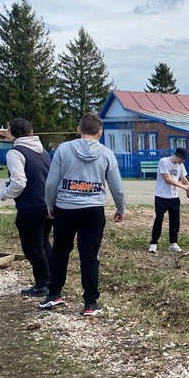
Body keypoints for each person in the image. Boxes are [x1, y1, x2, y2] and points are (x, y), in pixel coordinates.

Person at [39, 114, 126, 316]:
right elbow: (117, 186)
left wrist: (50, 204)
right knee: (89, 255)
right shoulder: (106, 154)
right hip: (93, 210)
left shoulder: (64, 149)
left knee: (60, 251)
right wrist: (120, 208)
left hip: (65, 208)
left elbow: (51, 182)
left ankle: (54, 294)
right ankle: (90, 303)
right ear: (100, 132)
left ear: (79, 129)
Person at [0, 117, 52, 297]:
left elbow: (19, 182)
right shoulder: (43, 151)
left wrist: (5, 193)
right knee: (43, 242)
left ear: (14, 133)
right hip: (47, 205)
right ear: (31, 132)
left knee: (32, 247)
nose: (6, 132)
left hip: (30, 206)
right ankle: (53, 279)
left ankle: (42, 283)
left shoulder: (15, 152)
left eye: (8, 129)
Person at [148, 148, 189, 254]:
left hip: (174, 198)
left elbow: (184, 179)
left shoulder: (180, 165)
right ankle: (153, 243)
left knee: (175, 221)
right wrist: (182, 186)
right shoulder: (164, 162)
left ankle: (173, 243)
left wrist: (187, 191)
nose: (183, 161)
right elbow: (167, 179)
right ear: (177, 156)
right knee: (159, 219)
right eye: (182, 159)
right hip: (161, 197)